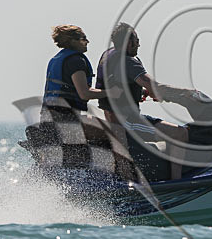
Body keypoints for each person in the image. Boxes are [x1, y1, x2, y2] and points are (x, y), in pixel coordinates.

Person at [96, 23, 189, 180]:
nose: (139, 44)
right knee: (180, 133)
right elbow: (152, 84)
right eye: (136, 40)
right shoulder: (128, 61)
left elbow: (117, 85)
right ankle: (177, 181)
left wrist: (141, 93)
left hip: (114, 118)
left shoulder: (108, 55)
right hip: (127, 122)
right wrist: (185, 94)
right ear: (128, 42)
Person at [43, 25, 114, 111]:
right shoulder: (76, 61)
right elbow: (84, 94)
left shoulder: (57, 59)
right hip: (65, 115)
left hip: (48, 115)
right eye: (83, 39)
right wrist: (111, 92)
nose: (87, 41)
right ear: (72, 41)